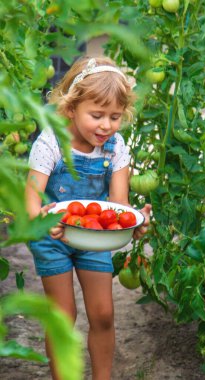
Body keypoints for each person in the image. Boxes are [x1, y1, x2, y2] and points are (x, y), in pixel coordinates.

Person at [25, 56, 151, 380]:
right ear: (71, 109)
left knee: (104, 313)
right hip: (52, 235)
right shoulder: (50, 142)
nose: (106, 126)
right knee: (63, 316)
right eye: (96, 116)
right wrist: (41, 221)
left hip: (93, 237)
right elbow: (32, 197)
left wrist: (135, 221)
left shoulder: (116, 148)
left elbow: (119, 205)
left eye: (115, 117)